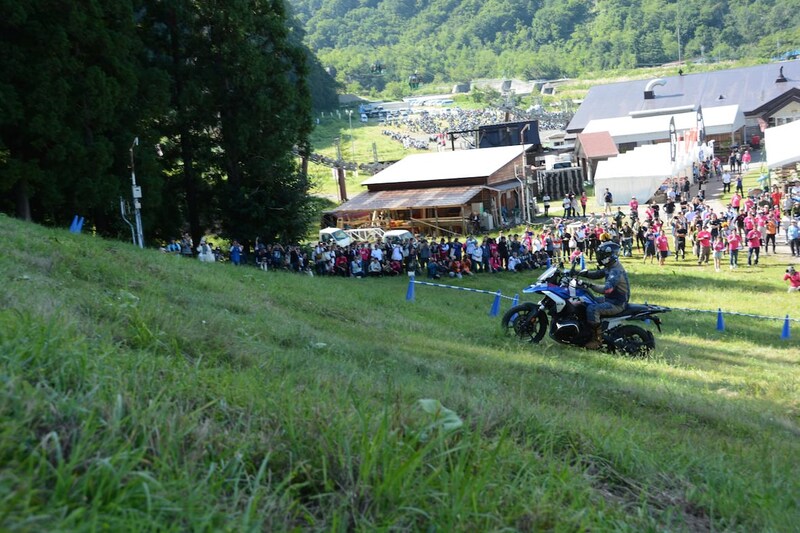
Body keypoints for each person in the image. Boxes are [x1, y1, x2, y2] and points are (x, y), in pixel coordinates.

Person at [577, 242, 630, 350]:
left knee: (593, 309)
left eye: (601, 255)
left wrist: (590, 285)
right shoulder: (610, 266)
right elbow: (597, 274)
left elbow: (607, 289)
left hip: (617, 303)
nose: (599, 257)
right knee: (586, 301)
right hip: (611, 299)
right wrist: (579, 273)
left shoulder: (615, 271)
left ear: (608, 256)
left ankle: (596, 340)